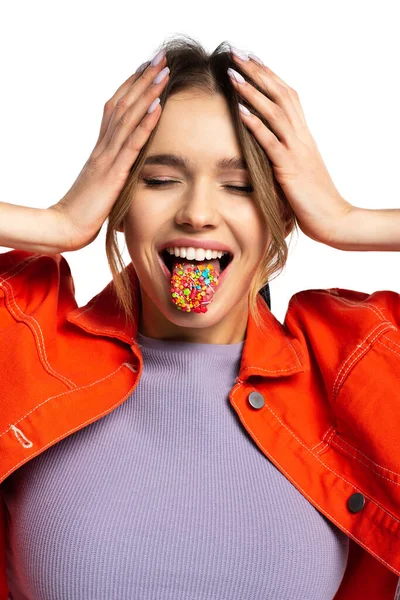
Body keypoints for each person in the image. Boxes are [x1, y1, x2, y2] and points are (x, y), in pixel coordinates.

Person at [0, 34, 399, 600]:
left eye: (239, 187)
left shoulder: (355, 365)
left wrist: (347, 219)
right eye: (160, 180)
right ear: (116, 204)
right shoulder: (21, 344)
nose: (197, 213)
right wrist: (56, 222)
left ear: (281, 216)